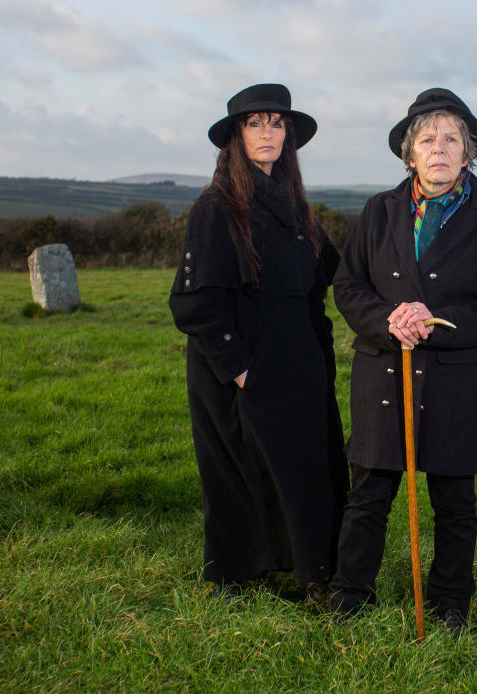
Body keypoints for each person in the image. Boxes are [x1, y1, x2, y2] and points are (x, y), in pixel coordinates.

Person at [327, 87, 477, 634]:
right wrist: (388, 319)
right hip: (384, 370)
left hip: (456, 382)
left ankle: (450, 602)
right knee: (368, 493)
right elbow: (349, 286)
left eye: (452, 139)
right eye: (428, 139)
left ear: (469, 153)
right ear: (410, 153)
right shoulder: (377, 211)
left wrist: (431, 319)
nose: (440, 148)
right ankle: (350, 593)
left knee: (455, 503)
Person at [169, 83, 349, 602]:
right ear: (236, 137)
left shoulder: (295, 207)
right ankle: (246, 571)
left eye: (276, 123)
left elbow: (332, 273)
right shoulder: (216, 207)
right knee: (247, 464)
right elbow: (194, 303)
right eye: (255, 123)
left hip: (298, 353)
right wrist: (239, 366)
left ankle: (314, 568)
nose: (267, 132)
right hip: (243, 358)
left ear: (288, 135)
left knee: (308, 462)